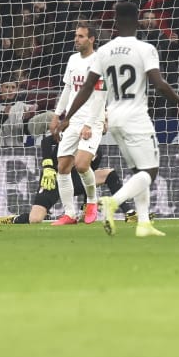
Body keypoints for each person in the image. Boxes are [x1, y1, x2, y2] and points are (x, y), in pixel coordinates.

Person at [61, 1, 179, 237]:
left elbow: (87, 87)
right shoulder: (145, 48)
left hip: (114, 117)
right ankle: (113, 202)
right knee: (150, 171)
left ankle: (144, 224)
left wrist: (66, 116)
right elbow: (159, 83)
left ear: (116, 22)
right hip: (136, 116)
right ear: (138, 21)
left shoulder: (104, 51)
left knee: (138, 171)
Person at [0, 132, 135, 225]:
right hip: (53, 178)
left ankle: (129, 213)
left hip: (75, 180)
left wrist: (86, 205)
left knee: (109, 174)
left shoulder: (95, 150)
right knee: (35, 219)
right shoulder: (73, 132)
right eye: (105, 120)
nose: (106, 125)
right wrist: (48, 166)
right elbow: (46, 141)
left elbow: (88, 178)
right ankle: (14, 219)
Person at [49, 21, 108, 226]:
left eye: (81, 36)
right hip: (73, 120)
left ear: (91, 39)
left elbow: (100, 96)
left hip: (93, 120)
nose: (76, 39)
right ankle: (69, 214)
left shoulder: (100, 62)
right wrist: (57, 115)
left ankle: (91, 202)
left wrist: (89, 124)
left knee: (82, 165)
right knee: (63, 166)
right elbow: (68, 90)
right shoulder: (73, 59)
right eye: (76, 35)